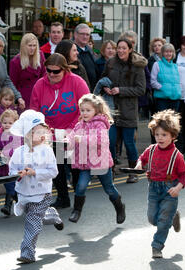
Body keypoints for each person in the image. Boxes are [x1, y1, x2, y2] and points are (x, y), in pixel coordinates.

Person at [29, 53, 90, 208]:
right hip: (51, 133)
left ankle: (78, 198)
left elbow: (87, 108)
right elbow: (34, 112)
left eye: (56, 71)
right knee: (56, 167)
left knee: (74, 166)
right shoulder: (40, 85)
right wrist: (43, 129)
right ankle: (63, 198)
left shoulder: (76, 82)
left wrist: (71, 129)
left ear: (65, 70)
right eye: (48, 70)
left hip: (73, 131)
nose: (51, 74)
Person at [8, 110, 63, 264]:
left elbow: (53, 171)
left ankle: (27, 253)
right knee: (37, 218)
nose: (42, 134)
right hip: (24, 194)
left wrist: (35, 172)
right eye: (37, 131)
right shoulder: (19, 152)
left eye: (43, 131)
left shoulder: (47, 151)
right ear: (28, 134)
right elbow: (11, 169)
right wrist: (18, 173)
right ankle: (51, 214)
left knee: (32, 222)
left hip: (42, 194)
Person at [135, 109, 185, 259]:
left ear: (173, 135)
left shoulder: (177, 156)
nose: (160, 138)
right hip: (153, 188)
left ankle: (157, 246)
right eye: (157, 134)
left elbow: (184, 175)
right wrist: (139, 165)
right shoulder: (151, 150)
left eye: (164, 135)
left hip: (169, 189)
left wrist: (178, 188)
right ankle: (173, 217)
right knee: (153, 218)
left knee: (163, 221)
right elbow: (142, 159)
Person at [66, 93, 126, 224]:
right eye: (82, 110)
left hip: (100, 163)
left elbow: (101, 141)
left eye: (88, 110)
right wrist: (67, 141)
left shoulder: (100, 124)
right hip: (86, 164)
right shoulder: (79, 125)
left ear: (96, 110)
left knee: (109, 188)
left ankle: (119, 206)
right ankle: (76, 211)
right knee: (80, 186)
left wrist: (82, 139)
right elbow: (72, 137)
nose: (85, 113)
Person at [101, 38, 146, 183]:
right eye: (118, 48)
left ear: (130, 49)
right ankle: (111, 170)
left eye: (123, 48)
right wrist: (105, 87)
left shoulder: (137, 66)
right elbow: (103, 79)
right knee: (111, 141)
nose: (120, 51)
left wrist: (121, 90)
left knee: (129, 143)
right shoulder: (111, 63)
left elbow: (141, 89)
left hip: (128, 110)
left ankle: (133, 172)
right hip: (112, 109)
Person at [0, 109, 21, 215]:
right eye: (4, 122)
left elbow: (17, 147)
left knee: (11, 184)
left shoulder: (17, 134)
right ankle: (15, 204)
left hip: (13, 164)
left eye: (10, 123)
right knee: (8, 184)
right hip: (2, 165)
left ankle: (12, 205)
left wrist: (6, 153)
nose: (7, 125)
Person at [9, 33, 46, 109]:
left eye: (34, 45)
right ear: (24, 46)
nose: (32, 48)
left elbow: (44, 75)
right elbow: (13, 84)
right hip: (23, 98)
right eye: (30, 45)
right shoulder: (15, 62)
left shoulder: (40, 55)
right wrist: (17, 99)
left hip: (39, 94)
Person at [150, 43, 181, 112]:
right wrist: (163, 88)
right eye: (166, 52)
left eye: (170, 52)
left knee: (173, 122)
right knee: (162, 121)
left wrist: (179, 91)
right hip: (162, 99)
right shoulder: (157, 64)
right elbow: (153, 81)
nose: (168, 54)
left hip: (175, 99)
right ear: (162, 53)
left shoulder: (176, 66)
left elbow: (179, 82)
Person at [74, 23, 99, 92]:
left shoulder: (90, 50)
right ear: (75, 34)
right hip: (78, 89)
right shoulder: (71, 50)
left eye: (87, 34)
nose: (85, 37)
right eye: (82, 34)